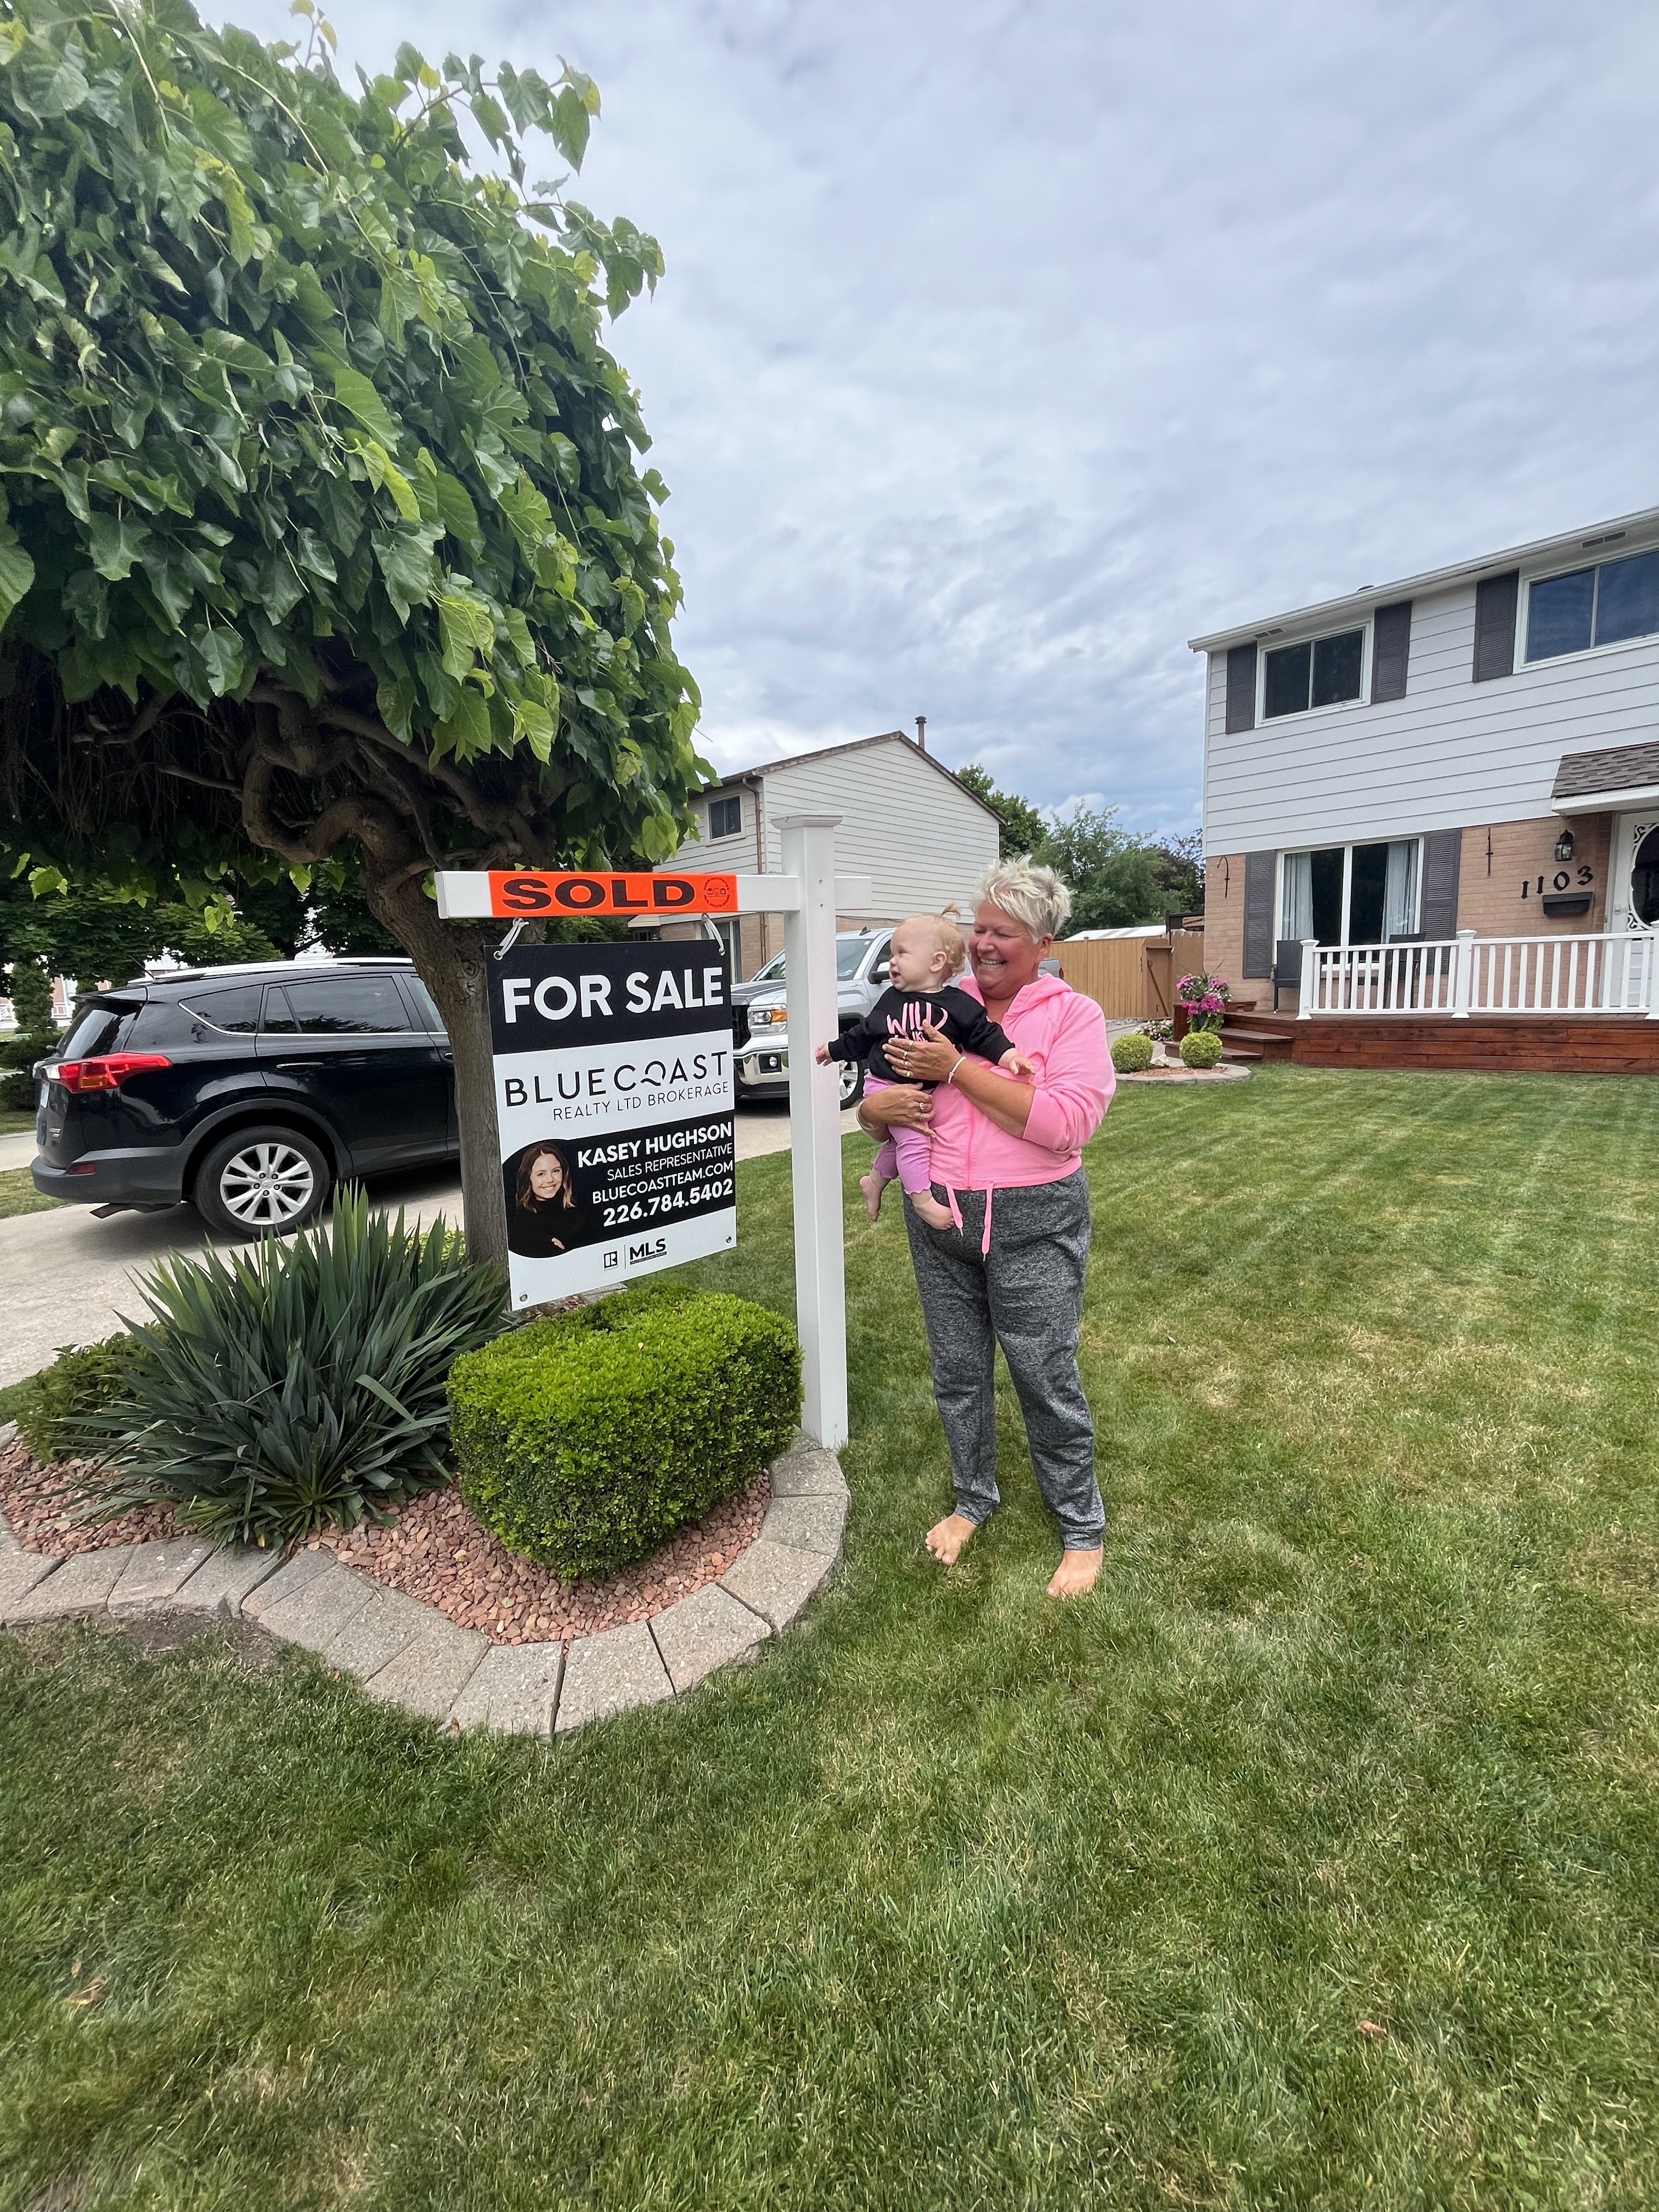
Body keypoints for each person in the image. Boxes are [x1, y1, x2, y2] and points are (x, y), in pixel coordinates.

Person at [858, 859, 1113, 1600]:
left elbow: (1066, 1125)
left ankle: (1080, 1526)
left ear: (1042, 940)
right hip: (939, 1215)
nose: (985, 944)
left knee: (1044, 1375)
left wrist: (959, 1068)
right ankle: (974, 1499)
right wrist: (875, 1114)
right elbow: (877, 1094)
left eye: (1003, 932)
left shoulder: (1073, 1016)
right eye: (979, 929)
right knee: (958, 1373)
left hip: (1033, 1219)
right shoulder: (934, 1000)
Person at [814, 911, 1032, 1229]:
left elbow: (984, 1035)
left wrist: (1010, 1056)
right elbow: (863, 1036)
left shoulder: (959, 1005)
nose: (892, 962)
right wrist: (833, 1051)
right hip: (884, 1084)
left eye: (902, 953)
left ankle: (874, 1180)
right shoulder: (890, 1000)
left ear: (936, 962)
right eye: (892, 954)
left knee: (903, 1140)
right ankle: (922, 1200)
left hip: (924, 1089)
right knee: (915, 1139)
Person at [506, 1139, 588, 1259]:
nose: (550, 1180)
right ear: (528, 1178)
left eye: (556, 1171)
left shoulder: (574, 1208)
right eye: (541, 1174)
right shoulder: (524, 1223)